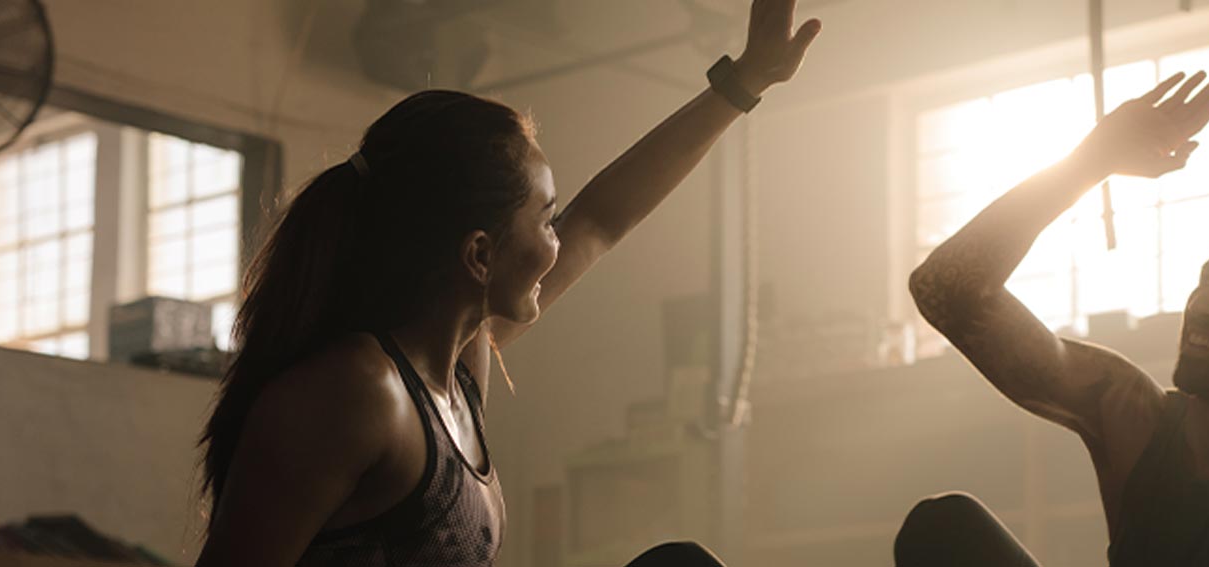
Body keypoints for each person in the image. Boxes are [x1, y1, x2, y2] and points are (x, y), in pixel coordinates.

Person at [192, 1, 822, 565]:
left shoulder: (457, 371)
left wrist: (743, 84)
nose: (558, 242)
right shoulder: (359, 393)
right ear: (479, 256)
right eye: (546, 222)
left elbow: (601, 221)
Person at [903, 71, 1209, 567]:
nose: (1205, 304)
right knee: (944, 526)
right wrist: (1090, 161)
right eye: (1208, 279)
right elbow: (943, 289)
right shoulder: (1131, 416)